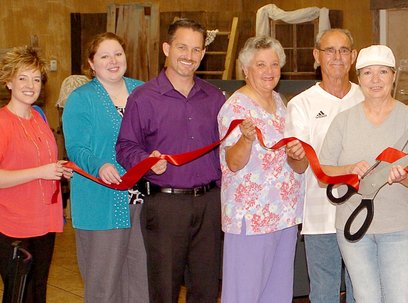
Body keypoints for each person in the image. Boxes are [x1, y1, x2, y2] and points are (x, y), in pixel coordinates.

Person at [116, 19, 225, 303]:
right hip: (165, 207)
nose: (189, 55)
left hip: (209, 204)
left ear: (202, 54)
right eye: (182, 47)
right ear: (167, 48)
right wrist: (144, 160)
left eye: (196, 49)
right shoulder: (143, 98)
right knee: (164, 289)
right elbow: (125, 147)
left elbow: (225, 151)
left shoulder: (215, 98)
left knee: (206, 289)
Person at [318, 45, 408, 302]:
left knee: (399, 298)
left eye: (382, 72)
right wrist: (348, 169)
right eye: (368, 73)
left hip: (399, 228)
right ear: (359, 78)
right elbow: (324, 171)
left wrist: (405, 176)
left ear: (393, 76)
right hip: (353, 226)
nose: (375, 80)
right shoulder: (343, 121)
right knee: (366, 297)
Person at [0, 45, 72, 303]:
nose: (31, 85)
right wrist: (41, 171)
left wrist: (57, 169)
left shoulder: (38, 119)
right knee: (21, 296)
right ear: (9, 82)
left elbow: (37, 163)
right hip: (9, 223)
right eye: (23, 78)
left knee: (37, 293)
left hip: (41, 221)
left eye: (37, 79)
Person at [62, 32, 147, 303]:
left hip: (143, 201)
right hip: (101, 201)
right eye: (104, 56)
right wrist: (100, 165)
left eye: (118, 54)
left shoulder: (143, 91)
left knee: (140, 280)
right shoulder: (81, 98)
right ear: (91, 63)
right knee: (104, 285)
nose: (113, 61)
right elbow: (76, 148)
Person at [217, 36, 303, 303]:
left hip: (284, 214)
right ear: (245, 69)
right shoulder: (235, 106)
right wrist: (245, 139)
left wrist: (297, 154)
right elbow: (233, 162)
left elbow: (290, 157)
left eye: (274, 64)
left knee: (277, 294)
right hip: (250, 217)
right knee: (244, 294)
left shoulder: (280, 102)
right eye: (261, 65)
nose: (269, 71)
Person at [284, 28, 361, 303]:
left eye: (343, 50)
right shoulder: (301, 104)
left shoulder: (368, 98)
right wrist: (296, 155)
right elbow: (298, 166)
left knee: (360, 291)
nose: (337, 57)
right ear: (317, 56)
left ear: (353, 56)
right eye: (330, 50)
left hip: (362, 214)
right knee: (324, 293)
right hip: (321, 217)